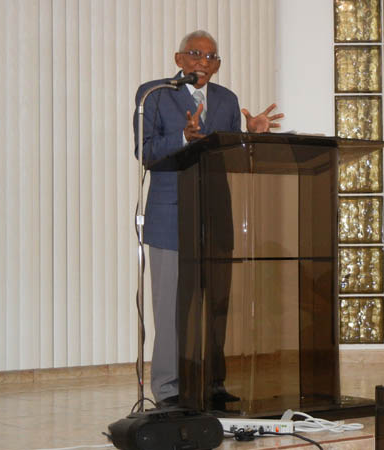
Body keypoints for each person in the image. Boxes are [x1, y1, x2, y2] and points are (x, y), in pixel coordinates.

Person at [133, 30, 283, 408]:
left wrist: (252, 136)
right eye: (195, 53)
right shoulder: (154, 94)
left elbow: (232, 157)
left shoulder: (227, 100)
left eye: (211, 56)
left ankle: (213, 384)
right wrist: (184, 137)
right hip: (170, 218)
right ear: (178, 58)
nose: (203, 61)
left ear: (217, 66)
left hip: (216, 215)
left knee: (215, 305)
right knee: (170, 310)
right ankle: (168, 389)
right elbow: (146, 151)